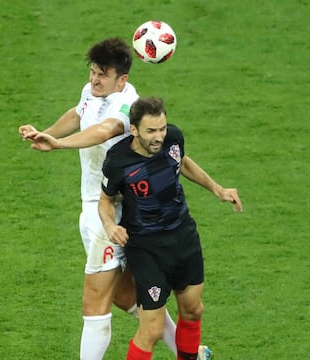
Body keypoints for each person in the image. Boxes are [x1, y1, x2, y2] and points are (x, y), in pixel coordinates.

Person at [18, 38, 177, 359]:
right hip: (91, 207)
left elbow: (104, 130)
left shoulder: (128, 104)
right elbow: (79, 114)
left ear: (122, 79)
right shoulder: (92, 91)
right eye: (93, 72)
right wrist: (47, 133)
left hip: (112, 212)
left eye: (103, 75)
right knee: (124, 293)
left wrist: (60, 146)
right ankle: (190, 352)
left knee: (94, 300)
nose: (95, 80)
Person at [98, 96, 243, 360]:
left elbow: (182, 161)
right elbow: (106, 201)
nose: (159, 136)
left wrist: (217, 189)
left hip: (183, 237)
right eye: (151, 131)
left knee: (193, 310)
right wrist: (110, 225)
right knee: (152, 330)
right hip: (147, 249)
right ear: (134, 130)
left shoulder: (173, 138)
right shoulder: (118, 161)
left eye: (162, 128)